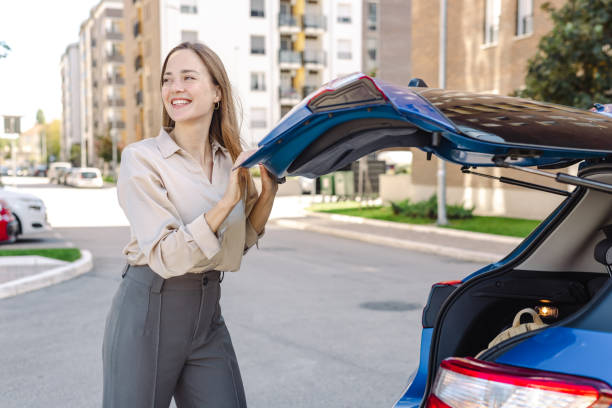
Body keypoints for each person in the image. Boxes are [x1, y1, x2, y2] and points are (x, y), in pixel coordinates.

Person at [102, 42, 278, 407]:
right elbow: (166, 256)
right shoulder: (142, 159)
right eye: (168, 79)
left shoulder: (231, 160)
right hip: (150, 312)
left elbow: (237, 242)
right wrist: (227, 201)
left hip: (207, 314)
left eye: (188, 77)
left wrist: (267, 194)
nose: (175, 87)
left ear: (217, 92)